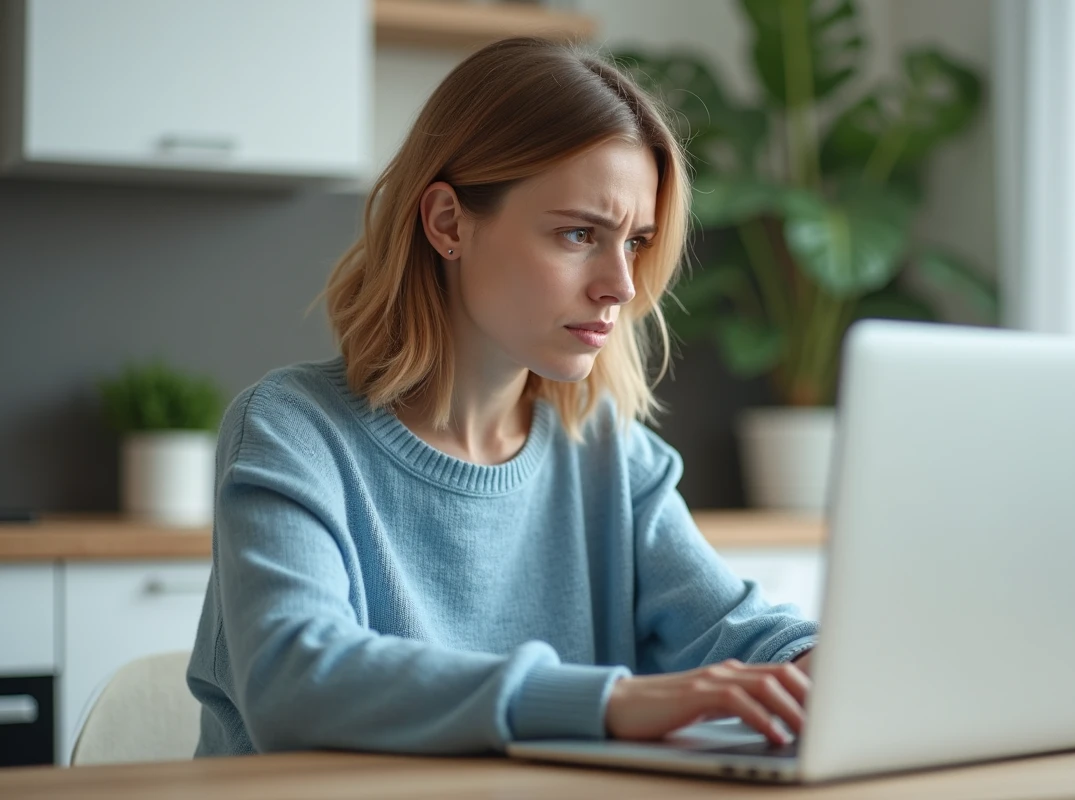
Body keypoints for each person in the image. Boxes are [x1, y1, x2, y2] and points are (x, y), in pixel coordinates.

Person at [186, 36, 818, 758]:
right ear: (448, 223)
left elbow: (743, 632)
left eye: (636, 242)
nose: (622, 284)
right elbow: (298, 681)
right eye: (581, 233)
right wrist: (612, 701)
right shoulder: (292, 431)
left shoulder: (610, 457)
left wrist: (823, 668)